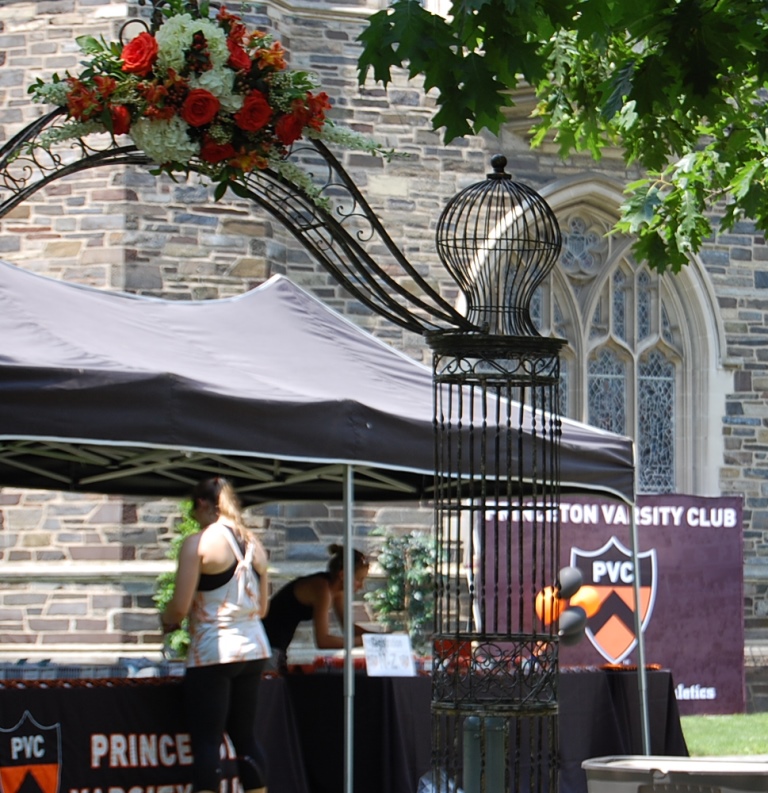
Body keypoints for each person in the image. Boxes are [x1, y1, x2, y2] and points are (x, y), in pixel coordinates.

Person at [161, 476, 271, 793]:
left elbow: (179, 607)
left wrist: (165, 620)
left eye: (193, 511)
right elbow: (262, 609)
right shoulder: (254, 544)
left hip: (213, 650)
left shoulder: (199, 543)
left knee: (207, 742)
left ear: (202, 505)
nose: (193, 519)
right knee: (246, 738)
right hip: (253, 648)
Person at [262, 543, 370, 669]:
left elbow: (348, 628)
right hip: (266, 645)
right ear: (343, 575)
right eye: (359, 579)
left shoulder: (337, 591)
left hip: (277, 647)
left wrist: (377, 637)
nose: (361, 586)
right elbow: (322, 640)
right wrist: (363, 641)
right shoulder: (322, 589)